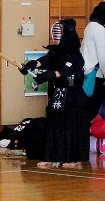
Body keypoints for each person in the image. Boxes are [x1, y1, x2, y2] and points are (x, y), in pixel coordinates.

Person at [19, 18, 88, 168]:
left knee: (70, 127)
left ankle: (73, 159)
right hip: (59, 94)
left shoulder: (75, 55)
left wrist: (45, 76)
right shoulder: (56, 52)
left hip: (73, 96)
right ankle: (51, 157)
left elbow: (62, 72)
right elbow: (46, 60)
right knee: (54, 125)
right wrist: (32, 64)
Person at [80, 2, 105, 121]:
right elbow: (103, 55)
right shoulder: (100, 29)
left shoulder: (89, 26)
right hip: (96, 75)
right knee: (93, 108)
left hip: (87, 71)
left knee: (86, 107)